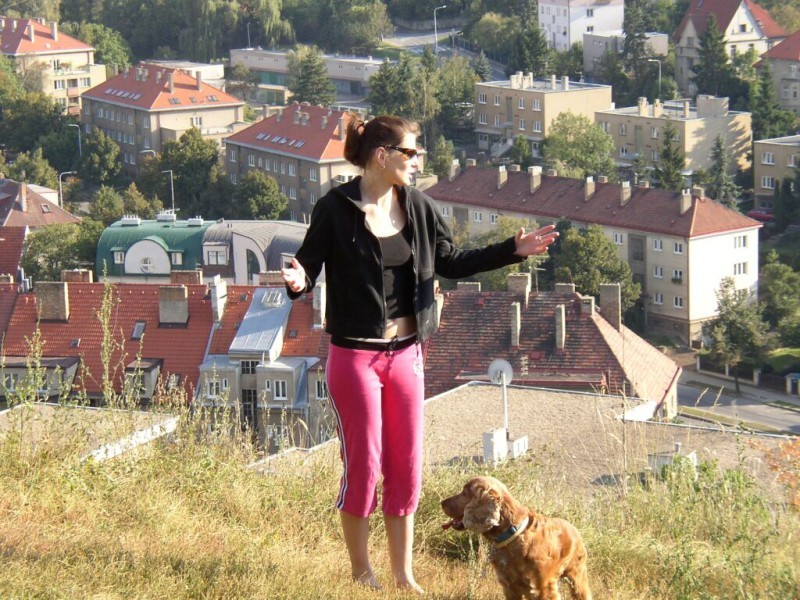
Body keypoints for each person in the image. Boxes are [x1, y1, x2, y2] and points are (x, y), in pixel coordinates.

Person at [282, 114, 558, 593]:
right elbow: (306, 265)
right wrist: (298, 280)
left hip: (406, 354)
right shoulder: (335, 209)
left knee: (406, 469)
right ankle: (361, 575)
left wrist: (511, 250)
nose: (417, 160)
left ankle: (403, 576)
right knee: (364, 469)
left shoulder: (419, 207)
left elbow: (451, 261)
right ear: (381, 155)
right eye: (410, 152)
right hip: (356, 357)